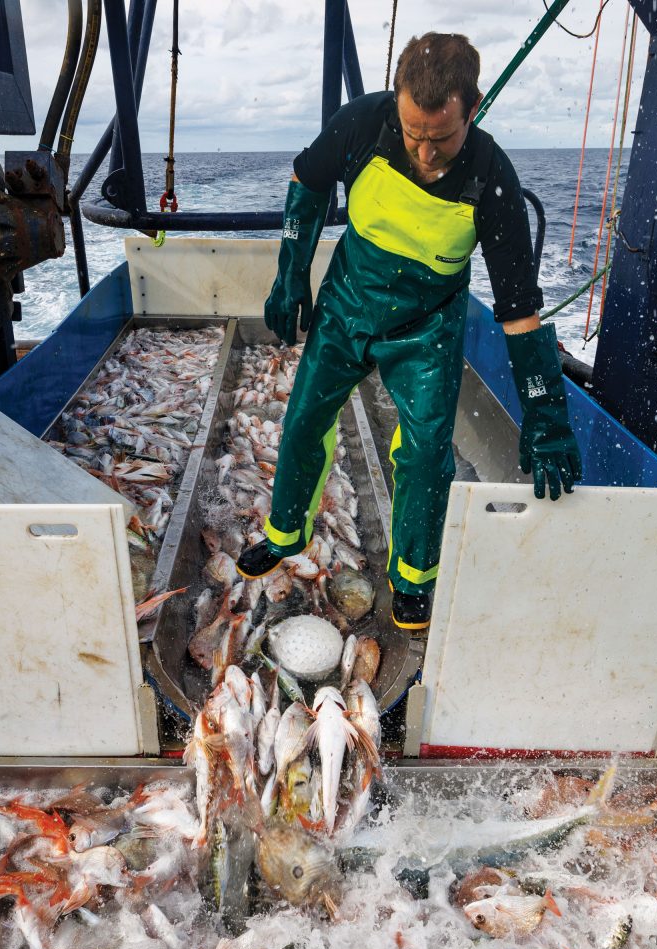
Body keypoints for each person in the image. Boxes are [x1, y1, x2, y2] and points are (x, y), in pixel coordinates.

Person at [235, 31, 583, 631]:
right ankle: (285, 533)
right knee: (303, 421)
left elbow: (521, 314)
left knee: (425, 454)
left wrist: (546, 414)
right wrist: (291, 273)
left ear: (471, 110)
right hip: (349, 302)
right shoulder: (361, 124)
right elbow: (307, 183)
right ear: (396, 101)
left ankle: (413, 578)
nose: (425, 153)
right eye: (413, 134)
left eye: (441, 138)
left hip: (428, 326)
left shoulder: (493, 179)